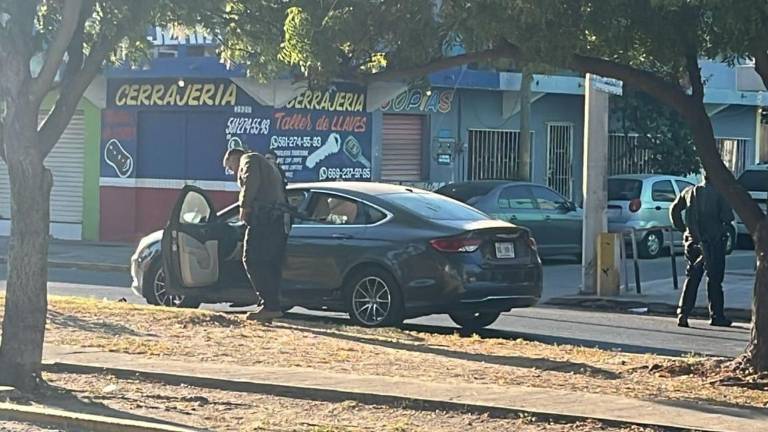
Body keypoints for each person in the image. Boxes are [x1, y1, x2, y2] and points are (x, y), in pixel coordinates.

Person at [223, 148, 288, 323]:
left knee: (251, 258)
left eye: (230, 167)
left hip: (264, 220)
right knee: (269, 263)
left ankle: (269, 305)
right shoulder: (269, 165)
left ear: (234, 158)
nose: (233, 173)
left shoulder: (248, 159)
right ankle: (270, 306)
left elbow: (251, 181)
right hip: (278, 220)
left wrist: (244, 207)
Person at [670, 175, 734, 328]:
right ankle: (717, 316)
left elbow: (674, 210)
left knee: (692, 278)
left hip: (693, 242)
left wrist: (683, 229)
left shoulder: (689, 191)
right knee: (715, 281)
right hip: (713, 243)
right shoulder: (720, 193)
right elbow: (728, 217)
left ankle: (683, 314)